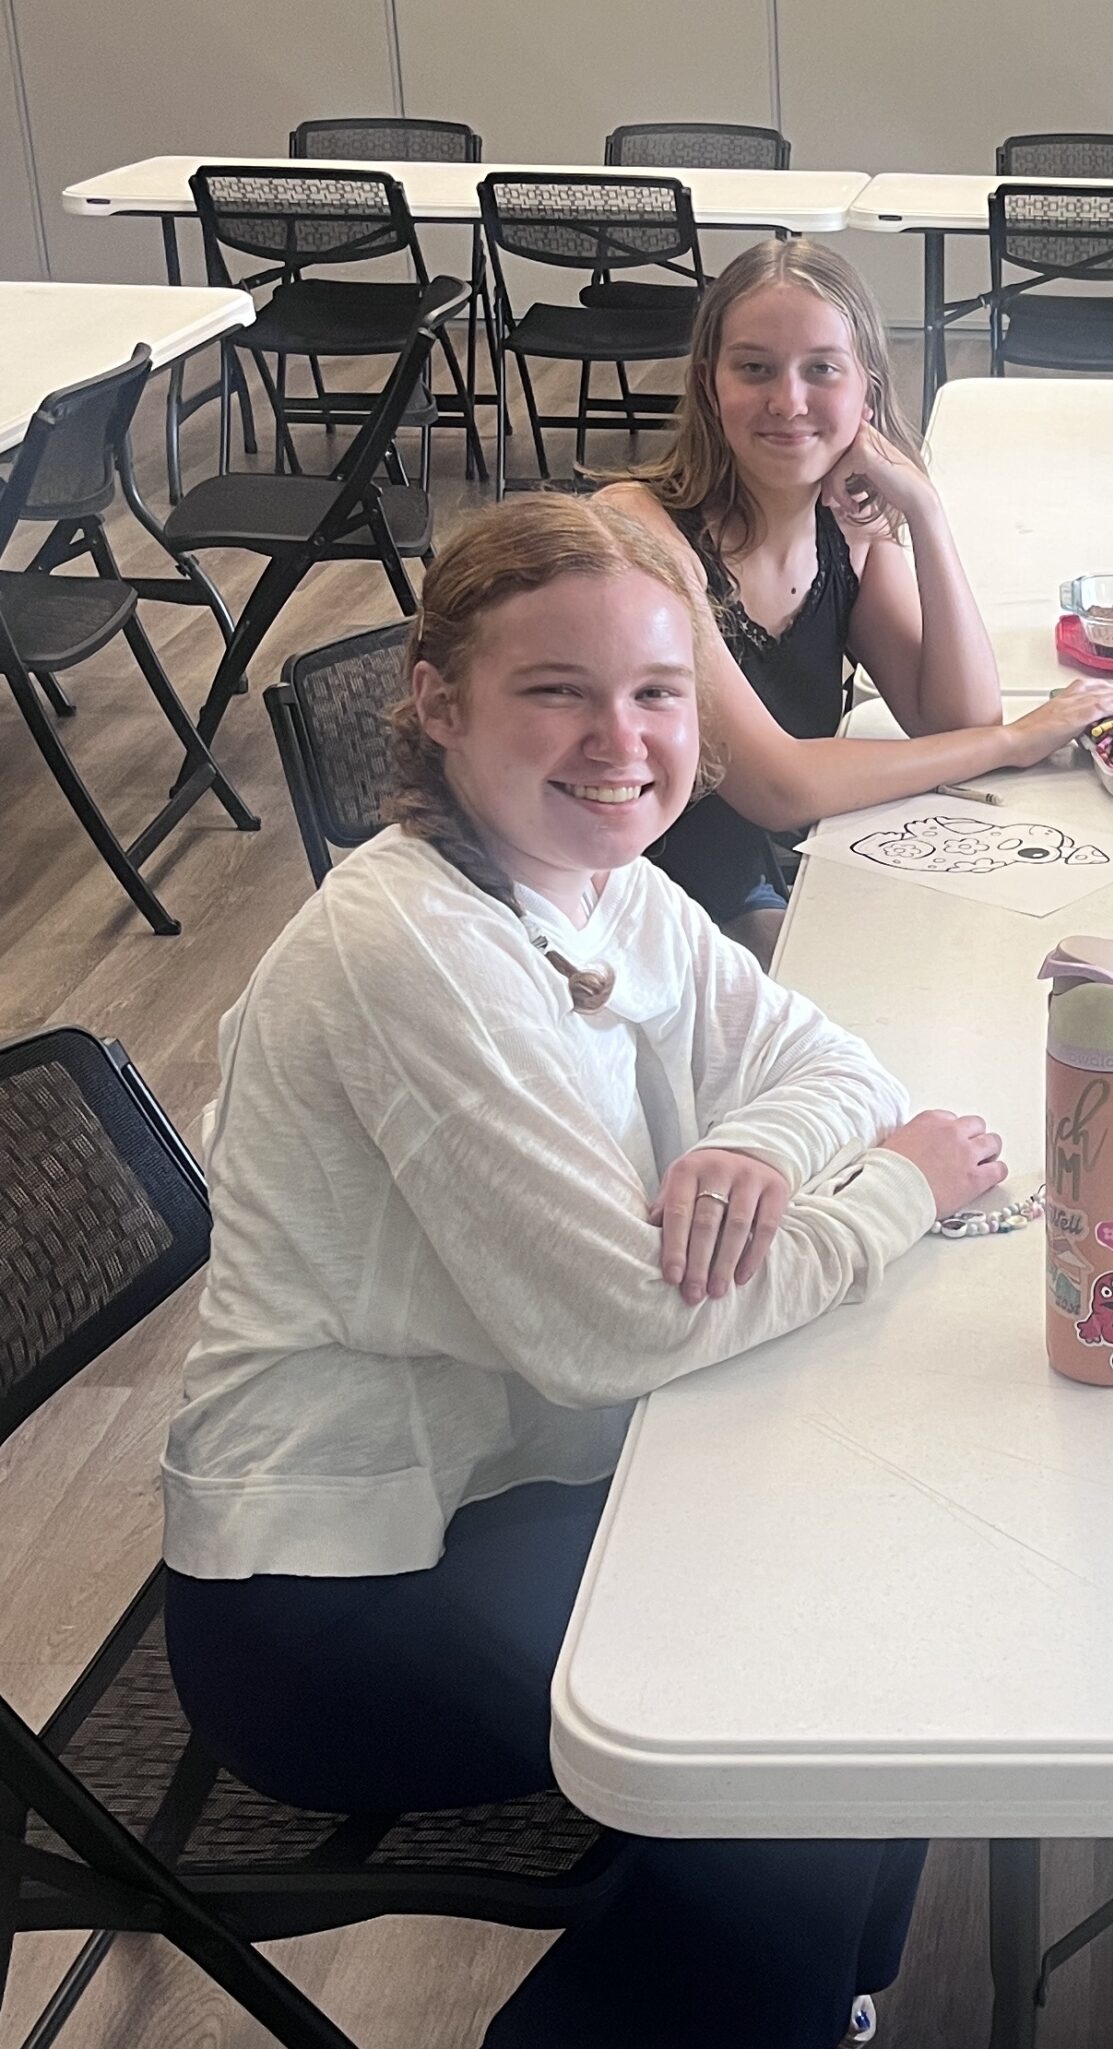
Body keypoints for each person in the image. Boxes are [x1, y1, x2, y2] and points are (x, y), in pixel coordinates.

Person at [159, 494, 1014, 2049]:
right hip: (332, 1599)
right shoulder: (407, 947)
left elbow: (831, 1060)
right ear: (439, 701)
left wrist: (758, 1151)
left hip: (523, 1489)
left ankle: (800, 1985)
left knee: (883, 1594)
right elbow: (620, 1325)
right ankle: (739, 1993)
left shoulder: (591, 876)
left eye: (659, 690)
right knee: (824, 1700)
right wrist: (895, 1192)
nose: (620, 739)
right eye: (555, 689)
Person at [598, 240, 1113, 962]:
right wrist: (1014, 740)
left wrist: (923, 513)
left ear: (867, 394)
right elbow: (780, 788)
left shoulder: (846, 536)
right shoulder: (642, 533)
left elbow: (954, 720)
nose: (788, 401)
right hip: (600, 903)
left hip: (724, 886)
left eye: (821, 369)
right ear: (708, 385)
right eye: (754, 368)